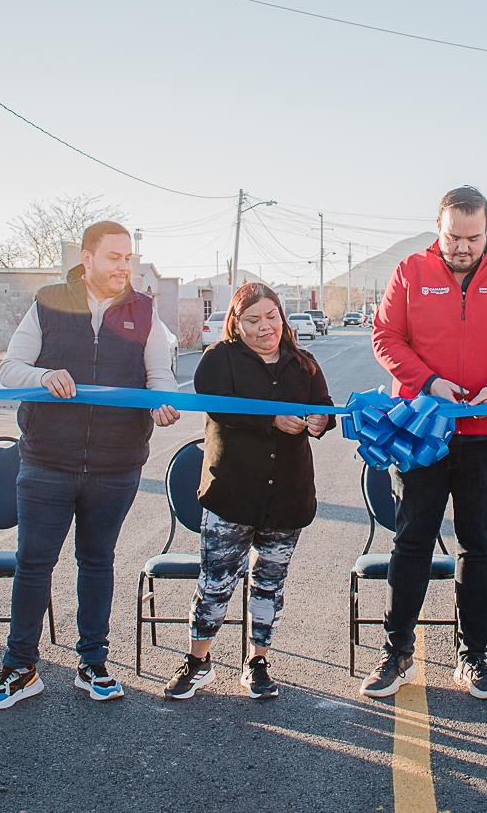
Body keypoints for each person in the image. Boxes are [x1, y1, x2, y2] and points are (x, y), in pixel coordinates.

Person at [0, 221, 180, 709]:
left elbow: (160, 376)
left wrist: (161, 404)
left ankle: (93, 663)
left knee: (97, 561)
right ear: (87, 259)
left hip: (117, 464)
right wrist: (44, 376)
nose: (124, 267)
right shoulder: (49, 300)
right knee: (33, 564)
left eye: (128, 257)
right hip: (48, 460)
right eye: (114, 257)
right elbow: (10, 369)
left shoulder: (145, 310)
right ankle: (21, 667)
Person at [362, 185, 487, 700]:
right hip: (422, 430)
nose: (463, 247)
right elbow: (385, 337)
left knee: (479, 546)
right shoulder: (409, 272)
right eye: (453, 237)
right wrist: (427, 383)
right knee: (412, 540)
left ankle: (474, 659)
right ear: (437, 229)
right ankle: (396, 653)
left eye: (474, 237)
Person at [163, 283, 335, 701]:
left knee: (269, 585)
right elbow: (219, 407)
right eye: (253, 320)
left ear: (283, 318)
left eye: (271, 317)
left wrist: (318, 422)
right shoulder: (218, 360)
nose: (265, 328)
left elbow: (325, 407)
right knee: (216, 583)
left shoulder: (304, 364)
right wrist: (271, 421)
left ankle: (258, 662)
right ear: (236, 325)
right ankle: (198, 662)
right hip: (232, 495)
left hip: (287, 499)